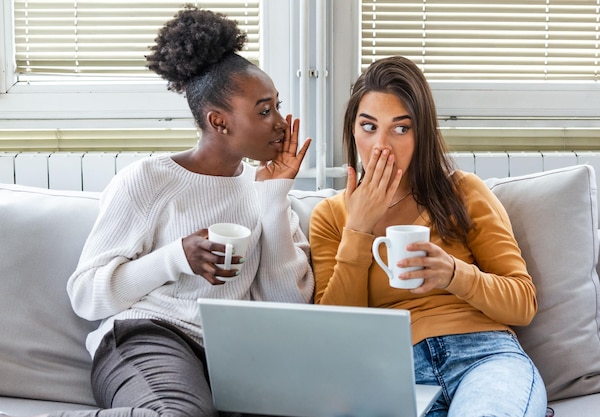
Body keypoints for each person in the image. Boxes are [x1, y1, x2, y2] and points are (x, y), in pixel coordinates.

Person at [14, 6, 314, 417]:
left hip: (230, 357)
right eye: (264, 111)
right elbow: (85, 295)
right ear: (218, 121)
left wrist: (275, 197)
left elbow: (290, 309)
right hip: (147, 338)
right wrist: (177, 257)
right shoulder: (149, 181)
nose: (281, 123)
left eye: (278, 106)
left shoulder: (265, 193)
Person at [309, 55, 549, 417]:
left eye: (401, 128)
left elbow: (522, 302)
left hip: (483, 356)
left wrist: (454, 274)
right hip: (393, 373)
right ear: (352, 130)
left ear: (422, 132)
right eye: (369, 126)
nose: (382, 145)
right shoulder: (329, 216)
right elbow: (333, 335)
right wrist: (357, 230)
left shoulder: (463, 191)